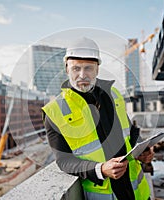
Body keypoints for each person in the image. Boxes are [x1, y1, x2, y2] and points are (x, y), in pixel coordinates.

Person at [42, 37, 154, 200]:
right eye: (76, 68)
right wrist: (100, 169)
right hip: (103, 194)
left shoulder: (114, 95)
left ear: (97, 69)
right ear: (67, 69)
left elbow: (130, 132)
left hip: (137, 193)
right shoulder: (55, 111)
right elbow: (64, 161)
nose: (82, 75)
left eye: (88, 68)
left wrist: (142, 150)